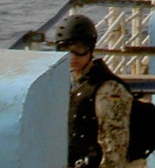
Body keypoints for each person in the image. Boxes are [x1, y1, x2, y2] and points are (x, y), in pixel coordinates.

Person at [56, 14, 140, 168]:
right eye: (66, 50)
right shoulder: (72, 83)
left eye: (80, 49)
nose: (72, 57)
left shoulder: (109, 89)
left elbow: (115, 148)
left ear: (91, 48)